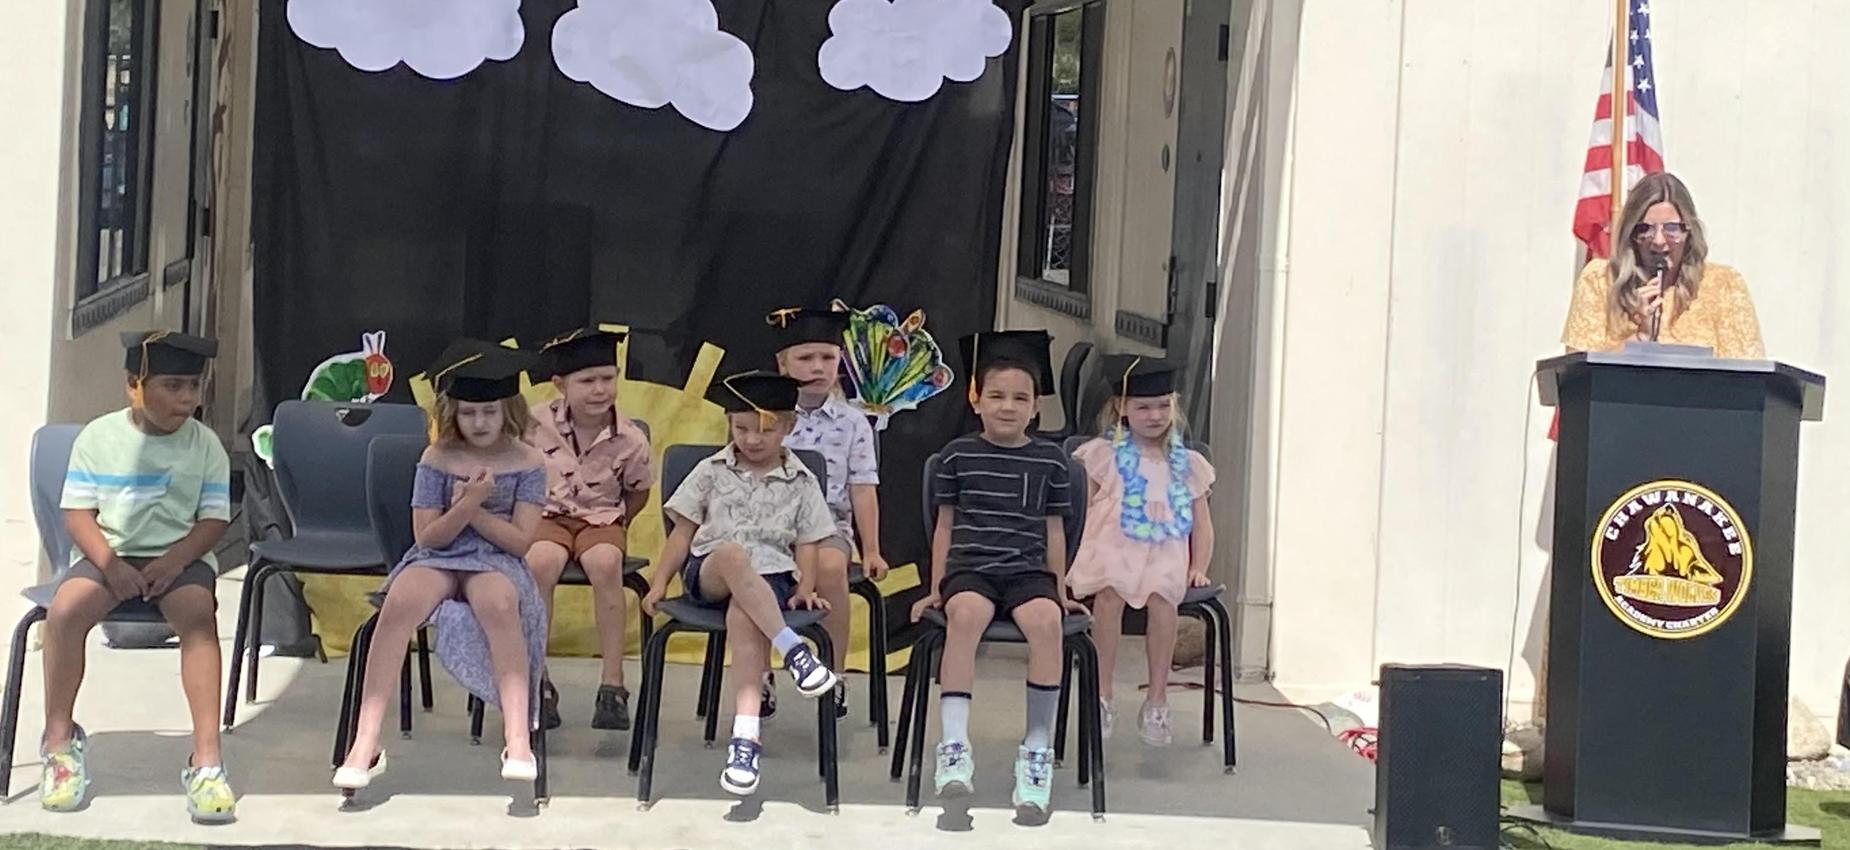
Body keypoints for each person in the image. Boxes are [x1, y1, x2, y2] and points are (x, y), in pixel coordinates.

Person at [335, 341, 549, 792]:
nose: (480, 422)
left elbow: (520, 542)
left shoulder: (529, 462)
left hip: (495, 560)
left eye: (489, 412)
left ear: (508, 408)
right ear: (453, 412)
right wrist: (465, 505)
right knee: (399, 603)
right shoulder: (436, 459)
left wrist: (476, 510)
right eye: (469, 413)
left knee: (499, 603)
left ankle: (517, 739)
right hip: (440, 555)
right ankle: (365, 742)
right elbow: (428, 537)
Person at [42, 331, 236, 822]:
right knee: (64, 611)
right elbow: (78, 515)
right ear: (135, 385)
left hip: (178, 557)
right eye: (173, 386)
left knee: (197, 614)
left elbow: (213, 520)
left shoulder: (205, 444)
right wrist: (110, 565)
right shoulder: (99, 437)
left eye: (194, 386)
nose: (188, 399)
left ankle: (207, 760)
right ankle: (60, 743)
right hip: (110, 555)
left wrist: (173, 562)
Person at [910, 330, 1083, 819]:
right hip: (972, 569)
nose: (1008, 406)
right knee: (965, 617)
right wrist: (936, 587)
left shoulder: (1051, 460)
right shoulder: (957, 456)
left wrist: (1060, 587)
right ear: (977, 399)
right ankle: (955, 748)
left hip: (1028, 572)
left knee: (1046, 624)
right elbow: (943, 526)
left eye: (1020, 398)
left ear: (1035, 407)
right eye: (997, 396)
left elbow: (1055, 530)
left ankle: (1036, 750)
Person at [640, 370, 839, 797]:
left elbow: (808, 541)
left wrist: (805, 586)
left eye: (764, 430)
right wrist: (659, 583)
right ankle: (793, 650)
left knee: (744, 619)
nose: (751, 439)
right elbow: (682, 533)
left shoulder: (802, 481)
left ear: (788, 426)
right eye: (741, 428)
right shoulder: (710, 471)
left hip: (771, 582)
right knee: (732, 554)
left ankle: (744, 740)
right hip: (709, 573)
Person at [1065, 356, 1215, 746]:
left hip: (1165, 550)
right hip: (1112, 546)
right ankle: (1102, 694)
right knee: (1110, 594)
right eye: (1143, 407)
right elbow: (1081, 513)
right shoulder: (1103, 456)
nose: (1154, 415)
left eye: (1164, 405)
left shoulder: (1186, 464)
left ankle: (1157, 700)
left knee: (1164, 598)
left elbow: (1202, 522)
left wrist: (1200, 566)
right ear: (1121, 408)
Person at [523, 326, 653, 732]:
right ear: (561, 384)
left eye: (607, 379)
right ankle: (537, 680)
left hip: (601, 518)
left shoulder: (629, 437)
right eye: (587, 381)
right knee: (539, 564)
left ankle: (612, 685)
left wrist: (617, 523)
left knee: (605, 563)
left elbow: (639, 492)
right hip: (549, 516)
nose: (600, 390)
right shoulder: (534, 424)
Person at [766, 306, 886, 719]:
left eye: (828, 358)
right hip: (770, 526)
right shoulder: (765, 416)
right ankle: (759, 675)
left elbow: (863, 488)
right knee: (756, 572)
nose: (818, 367)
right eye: (805, 358)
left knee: (832, 567)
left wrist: (871, 549)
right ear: (782, 363)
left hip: (828, 527)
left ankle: (834, 673)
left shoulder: (854, 423)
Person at [1561, 171, 1764, 358]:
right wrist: (1640, 338)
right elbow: (1577, 377)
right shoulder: (1599, 280)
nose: (1658, 240)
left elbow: (1750, 374)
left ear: (1689, 232)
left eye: (1672, 229)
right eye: (1645, 229)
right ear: (1630, 233)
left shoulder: (1724, 284)